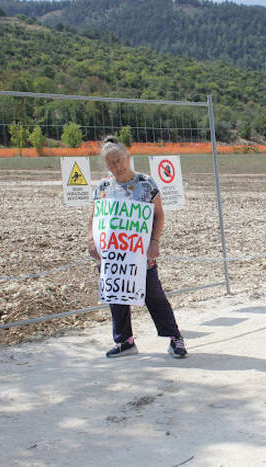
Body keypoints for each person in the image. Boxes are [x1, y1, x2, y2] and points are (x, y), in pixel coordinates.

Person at [87, 136, 187, 359]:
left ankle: (174, 338)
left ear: (128, 156)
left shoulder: (146, 183)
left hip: (140, 254)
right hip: (112, 257)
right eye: (111, 163)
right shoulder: (103, 186)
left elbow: (159, 215)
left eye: (119, 160)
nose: (116, 166)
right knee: (116, 296)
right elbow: (95, 216)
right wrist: (91, 240)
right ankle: (124, 341)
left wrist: (154, 241)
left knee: (154, 296)